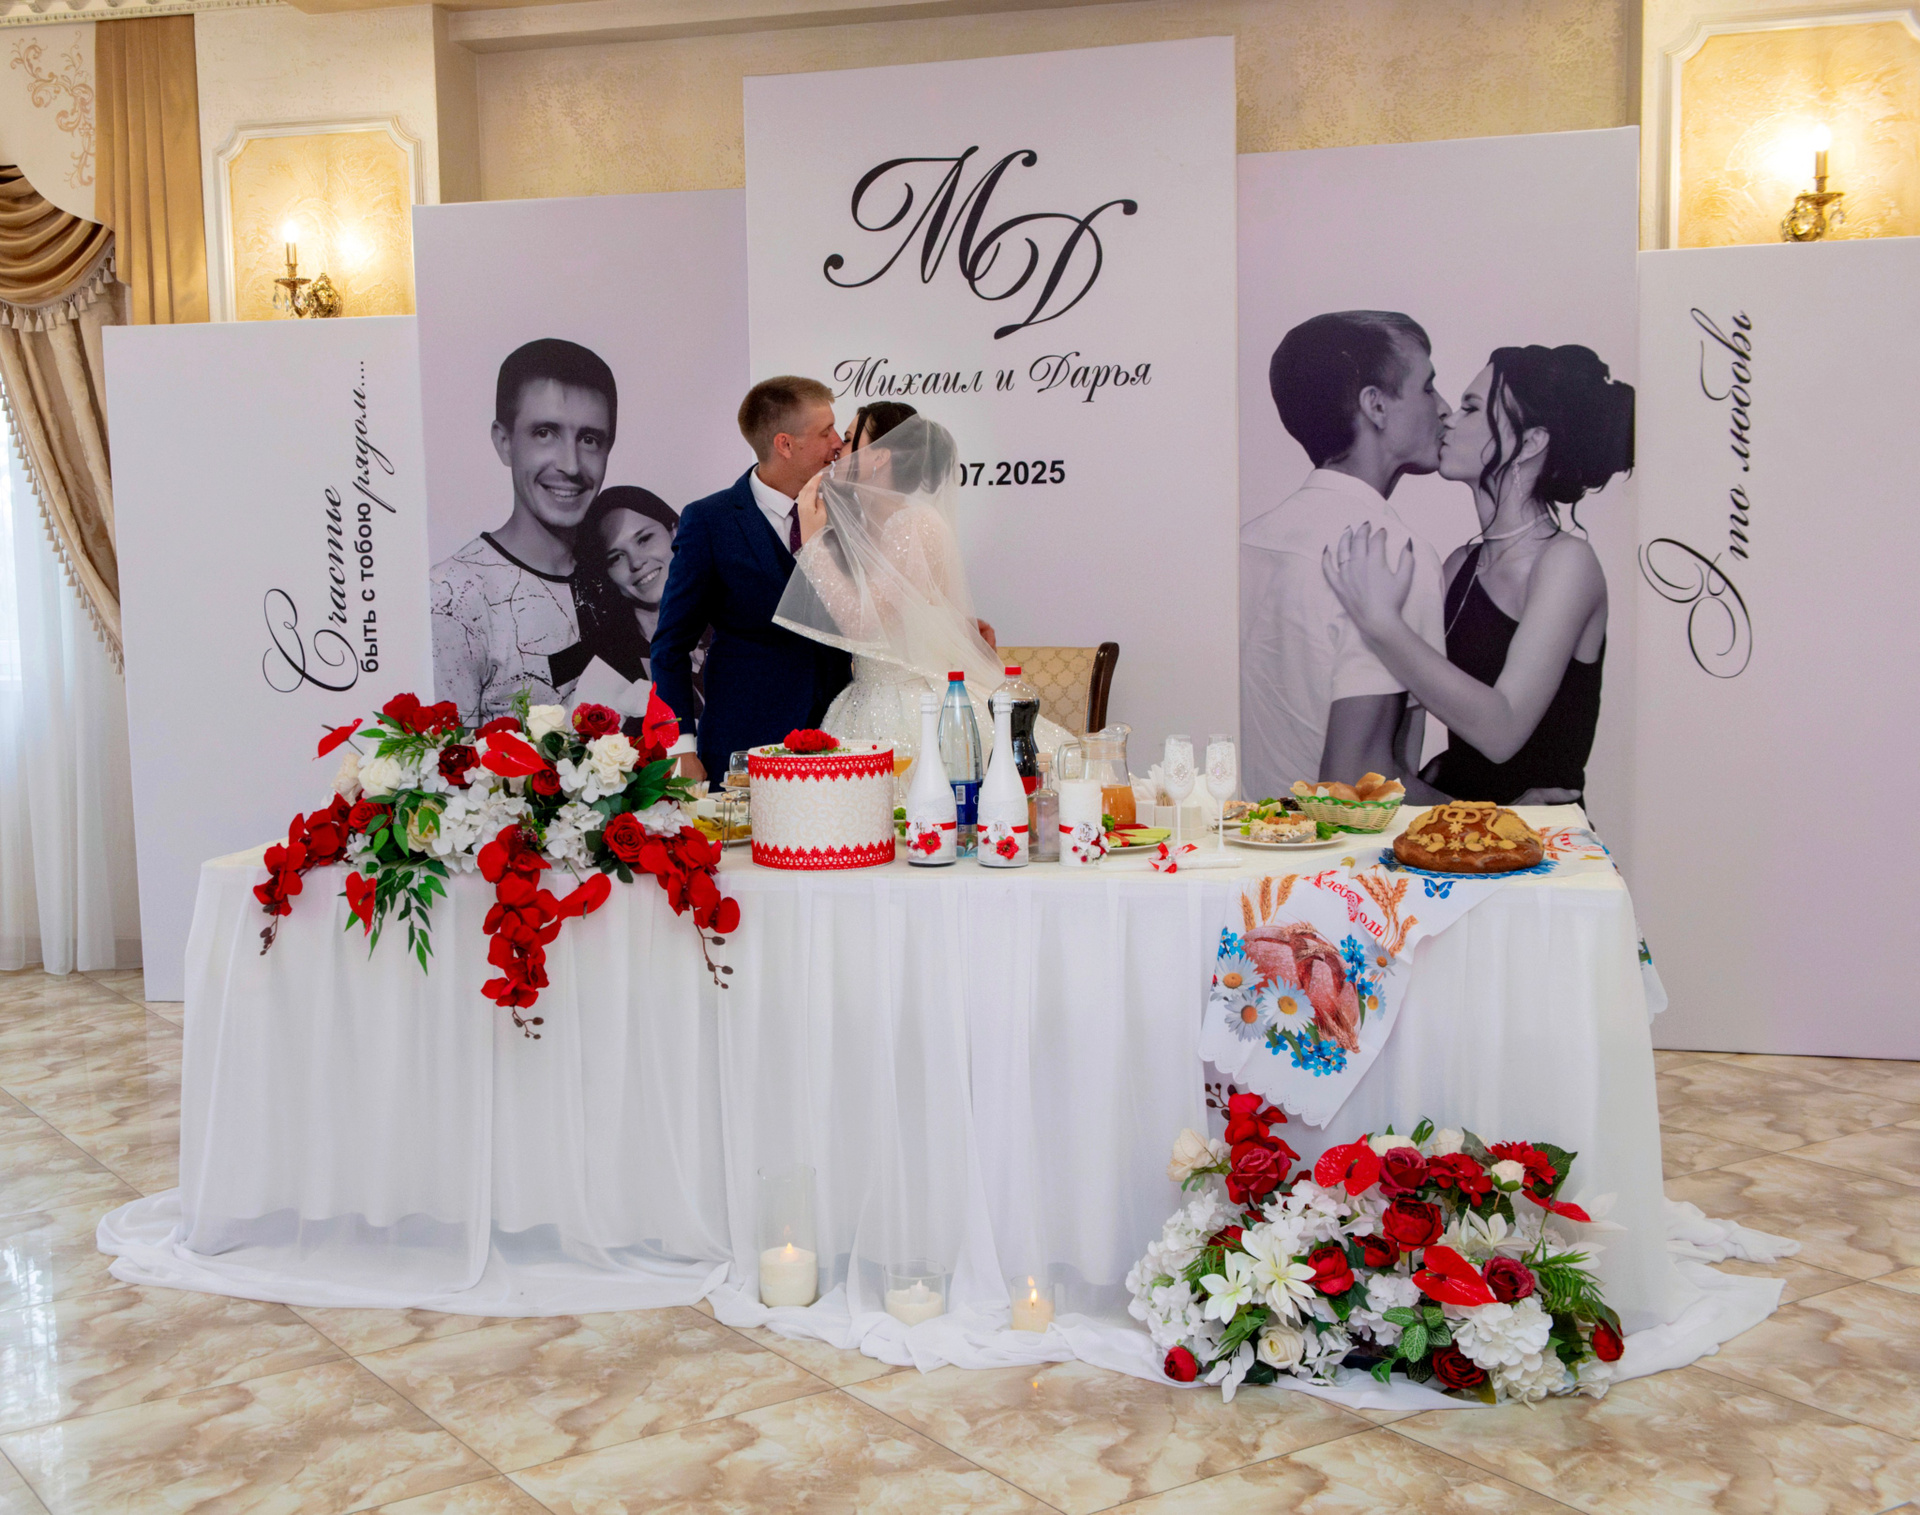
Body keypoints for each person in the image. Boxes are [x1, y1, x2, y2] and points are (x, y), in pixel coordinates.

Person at [1323, 344, 1633, 805]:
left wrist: (1381, 622)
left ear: (1531, 442)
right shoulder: (1457, 566)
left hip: (1546, 837)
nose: (1448, 418)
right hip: (1464, 825)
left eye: (1470, 408)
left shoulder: (1567, 562)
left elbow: (1501, 730)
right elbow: (1398, 751)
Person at [1239, 311, 1452, 803]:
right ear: (1376, 405)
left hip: (1244, 839)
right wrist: (1505, 822)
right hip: (1338, 849)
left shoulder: (1245, 544)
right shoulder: (1396, 554)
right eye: (1427, 387)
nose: (1443, 409)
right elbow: (1360, 784)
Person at [774, 408, 1066, 758]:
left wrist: (812, 545)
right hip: (864, 698)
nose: (838, 446)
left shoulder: (913, 523)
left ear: (880, 456)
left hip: (909, 705)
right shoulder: (863, 524)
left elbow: (862, 624)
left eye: (850, 438)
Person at [430, 338, 647, 723]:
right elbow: (439, 757)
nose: (571, 465)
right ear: (504, 442)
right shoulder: (452, 596)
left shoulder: (622, 573)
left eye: (589, 439)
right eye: (545, 433)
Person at [650, 376, 852, 784]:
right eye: (825, 431)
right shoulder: (710, 521)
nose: (837, 443)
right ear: (785, 444)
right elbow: (670, 646)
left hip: (841, 739)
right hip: (744, 747)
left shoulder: (850, 511)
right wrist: (680, 747)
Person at [581, 485, 707, 707]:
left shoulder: (736, 619)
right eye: (616, 557)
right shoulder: (608, 670)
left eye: (644, 539)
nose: (636, 562)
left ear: (675, 532)